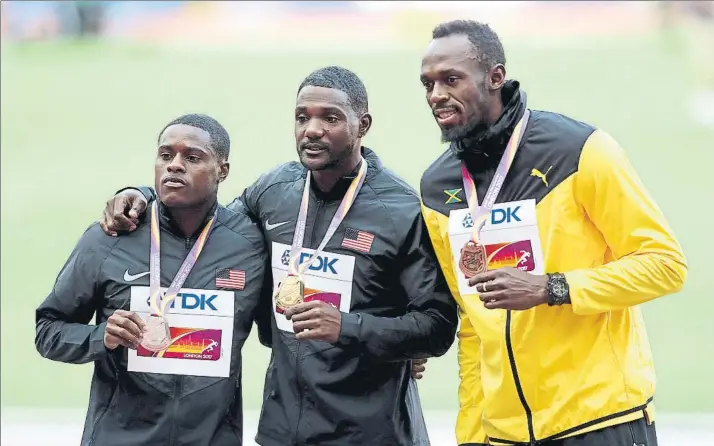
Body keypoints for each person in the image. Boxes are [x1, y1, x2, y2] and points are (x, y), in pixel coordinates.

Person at [98, 66, 459, 446]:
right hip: (283, 430)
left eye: (330, 118)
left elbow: (435, 327)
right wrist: (144, 194)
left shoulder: (400, 210)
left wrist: (347, 327)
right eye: (302, 118)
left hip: (371, 433)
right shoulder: (275, 191)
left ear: (363, 124)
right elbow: (206, 223)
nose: (312, 130)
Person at [418, 20, 688, 446]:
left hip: (601, 421)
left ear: (495, 77)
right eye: (428, 84)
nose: (436, 96)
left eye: (451, 80)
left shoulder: (580, 151)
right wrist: (472, 434)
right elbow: (472, 324)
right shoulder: (436, 189)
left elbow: (665, 265)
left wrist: (552, 288)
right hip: (504, 436)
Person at [35, 114, 269, 445]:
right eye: (165, 155)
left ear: (223, 170)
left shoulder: (250, 244)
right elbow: (48, 330)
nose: (174, 165)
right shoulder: (109, 237)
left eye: (192, 157)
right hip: (119, 438)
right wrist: (103, 336)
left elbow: (276, 334)